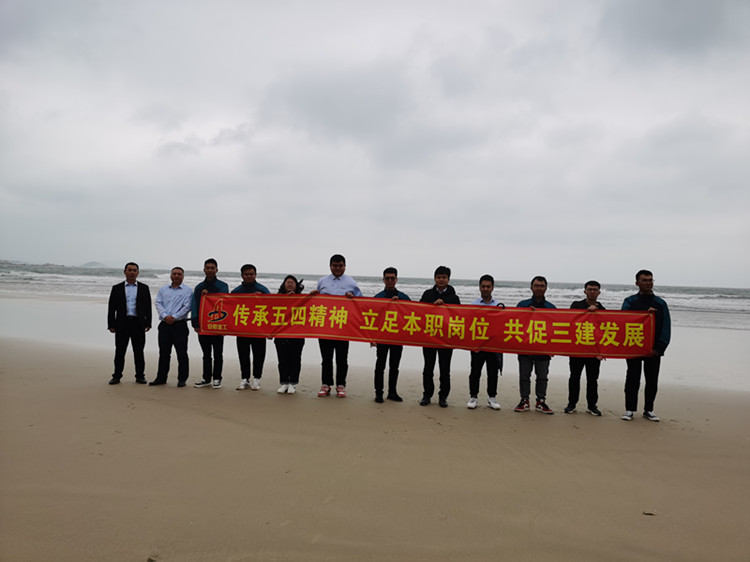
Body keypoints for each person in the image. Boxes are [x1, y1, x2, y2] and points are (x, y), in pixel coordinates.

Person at [621, 269, 671, 422]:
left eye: (650, 280)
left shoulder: (660, 303)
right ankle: (630, 409)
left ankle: (649, 409)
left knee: (652, 380)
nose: (648, 283)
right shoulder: (630, 301)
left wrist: (660, 347)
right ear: (637, 283)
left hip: (653, 349)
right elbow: (623, 321)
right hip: (634, 346)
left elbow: (666, 327)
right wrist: (645, 314)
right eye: (645, 280)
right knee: (632, 378)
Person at [312, 254, 362, 398]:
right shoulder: (322, 281)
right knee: (326, 358)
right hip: (325, 326)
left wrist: (353, 298)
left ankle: (341, 385)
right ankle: (326, 384)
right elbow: (317, 302)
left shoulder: (351, 282)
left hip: (343, 327)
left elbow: (360, 302)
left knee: (342, 358)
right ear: (330, 266)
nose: (338, 268)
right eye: (335, 265)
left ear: (345, 266)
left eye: (340, 265)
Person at [419, 266, 461, 407]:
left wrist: (445, 307)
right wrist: (433, 306)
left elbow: (459, 317)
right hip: (429, 338)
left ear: (448, 279)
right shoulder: (427, 294)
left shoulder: (454, 298)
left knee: (445, 370)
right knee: (428, 369)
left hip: (446, 339)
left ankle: (443, 397)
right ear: (434, 278)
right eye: (438, 277)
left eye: (444, 277)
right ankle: (427, 395)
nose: (441, 280)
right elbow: (419, 312)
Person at [514, 276, 556, 414]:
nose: (539, 288)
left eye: (542, 286)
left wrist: (553, 348)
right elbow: (514, 324)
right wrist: (526, 314)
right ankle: (524, 400)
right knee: (524, 376)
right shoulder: (522, 305)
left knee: (542, 377)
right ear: (531, 287)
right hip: (525, 347)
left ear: (546, 288)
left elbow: (555, 329)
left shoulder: (551, 307)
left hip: (543, 348)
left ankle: (541, 401)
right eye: (536, 286)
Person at [564, 281, 605, 415]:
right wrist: (587, 311)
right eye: (590, 289)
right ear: (585, 291)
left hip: (594, 351)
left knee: (592, 380)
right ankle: (571, 404)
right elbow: (570, 321)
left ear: (599, 292)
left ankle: (592, 405)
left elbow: (605, 331)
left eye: (595, 290)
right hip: (577, 349)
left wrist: (602, 351)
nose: (592, 292)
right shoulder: (576, 305)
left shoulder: (603, 309)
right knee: (574, 377)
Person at [107, 262, 151, 385]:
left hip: (138, 323)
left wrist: (148, 322)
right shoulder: (117, 288)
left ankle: (140, 376)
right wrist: (111, 324)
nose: (132, 272)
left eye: (134, 270)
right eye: (129, 270)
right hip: (122, 323)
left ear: (138, 273)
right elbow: (111, 308)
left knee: (139, 352)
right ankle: (116, 376)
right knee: (120, 352)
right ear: (125, 272)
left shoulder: (144, 288)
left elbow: (148, 307)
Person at [372, 267, 411, 403]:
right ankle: (378, 393)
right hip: (382, 337)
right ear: (383, 280)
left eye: (392, 278)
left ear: (396, 279)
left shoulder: (404, 297)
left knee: (394, 367)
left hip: (397, 338)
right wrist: (372, 338)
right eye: (387, 278)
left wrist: (400, 304)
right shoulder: (377, 298)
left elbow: (413, 314)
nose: (390, 280)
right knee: (380, 366)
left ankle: (392, 392)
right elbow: (372, 319)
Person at [149, 267, 192, 387]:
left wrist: (174, 317)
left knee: (182, 353)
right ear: (171, 275)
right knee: (164, 353)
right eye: (174, 273)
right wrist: (165, 316)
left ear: (183, 276)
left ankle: (182, 379)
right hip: (164, 325)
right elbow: (158, 303)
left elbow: (187, 306)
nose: (177, 276)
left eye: (179, 274)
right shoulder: (163, 289)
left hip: (180, 325)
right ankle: (161, 378)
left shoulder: (188, 290)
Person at [467, 274, 503, 411]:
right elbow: (467, 324)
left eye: (488, 286)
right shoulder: (473, 305)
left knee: (492, 372)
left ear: (492, 287)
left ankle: (492, 397)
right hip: (477, 345)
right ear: (479, 287)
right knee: (475, 372)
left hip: (493, 346)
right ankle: (473, 397)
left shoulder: (499, 305)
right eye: (483, 286)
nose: (486, 289)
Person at [191, 258, 229, 389]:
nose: (210, 270)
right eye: (208, 268)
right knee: (206, 354)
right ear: (204, 270)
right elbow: (194, 305)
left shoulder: (223, 286)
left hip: (217, 325)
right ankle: (206, 378)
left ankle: (217, 378)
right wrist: (195, 323)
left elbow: (224, 302)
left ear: (217, 270)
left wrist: (210, 295)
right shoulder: (199, 287)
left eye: (212, 268)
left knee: (218, 354)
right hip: (203, 326)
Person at [232, 264, 270, 391]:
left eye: (251, 274)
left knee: (259, 355)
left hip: (258, 328)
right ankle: (245, 378)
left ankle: (257, 378)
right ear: (242, 275)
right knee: (243, 355)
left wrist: (262, 299)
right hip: (242, 329)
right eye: (246, 274)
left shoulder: (263, 290)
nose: (249, 276)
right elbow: (230, 308)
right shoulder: (236, 291)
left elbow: (272, 307)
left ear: (255, 275)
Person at [274, 275, 306, 395]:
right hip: (281, 334)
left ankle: (293, 383)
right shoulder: (277, 298)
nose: (290, 284)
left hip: (297, 334)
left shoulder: (302, 299)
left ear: (296, 285)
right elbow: (270, 313)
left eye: (292, 282)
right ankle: (284, 383)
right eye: (287, 282)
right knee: (282, 359)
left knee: (295, 359)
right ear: (284, 284)